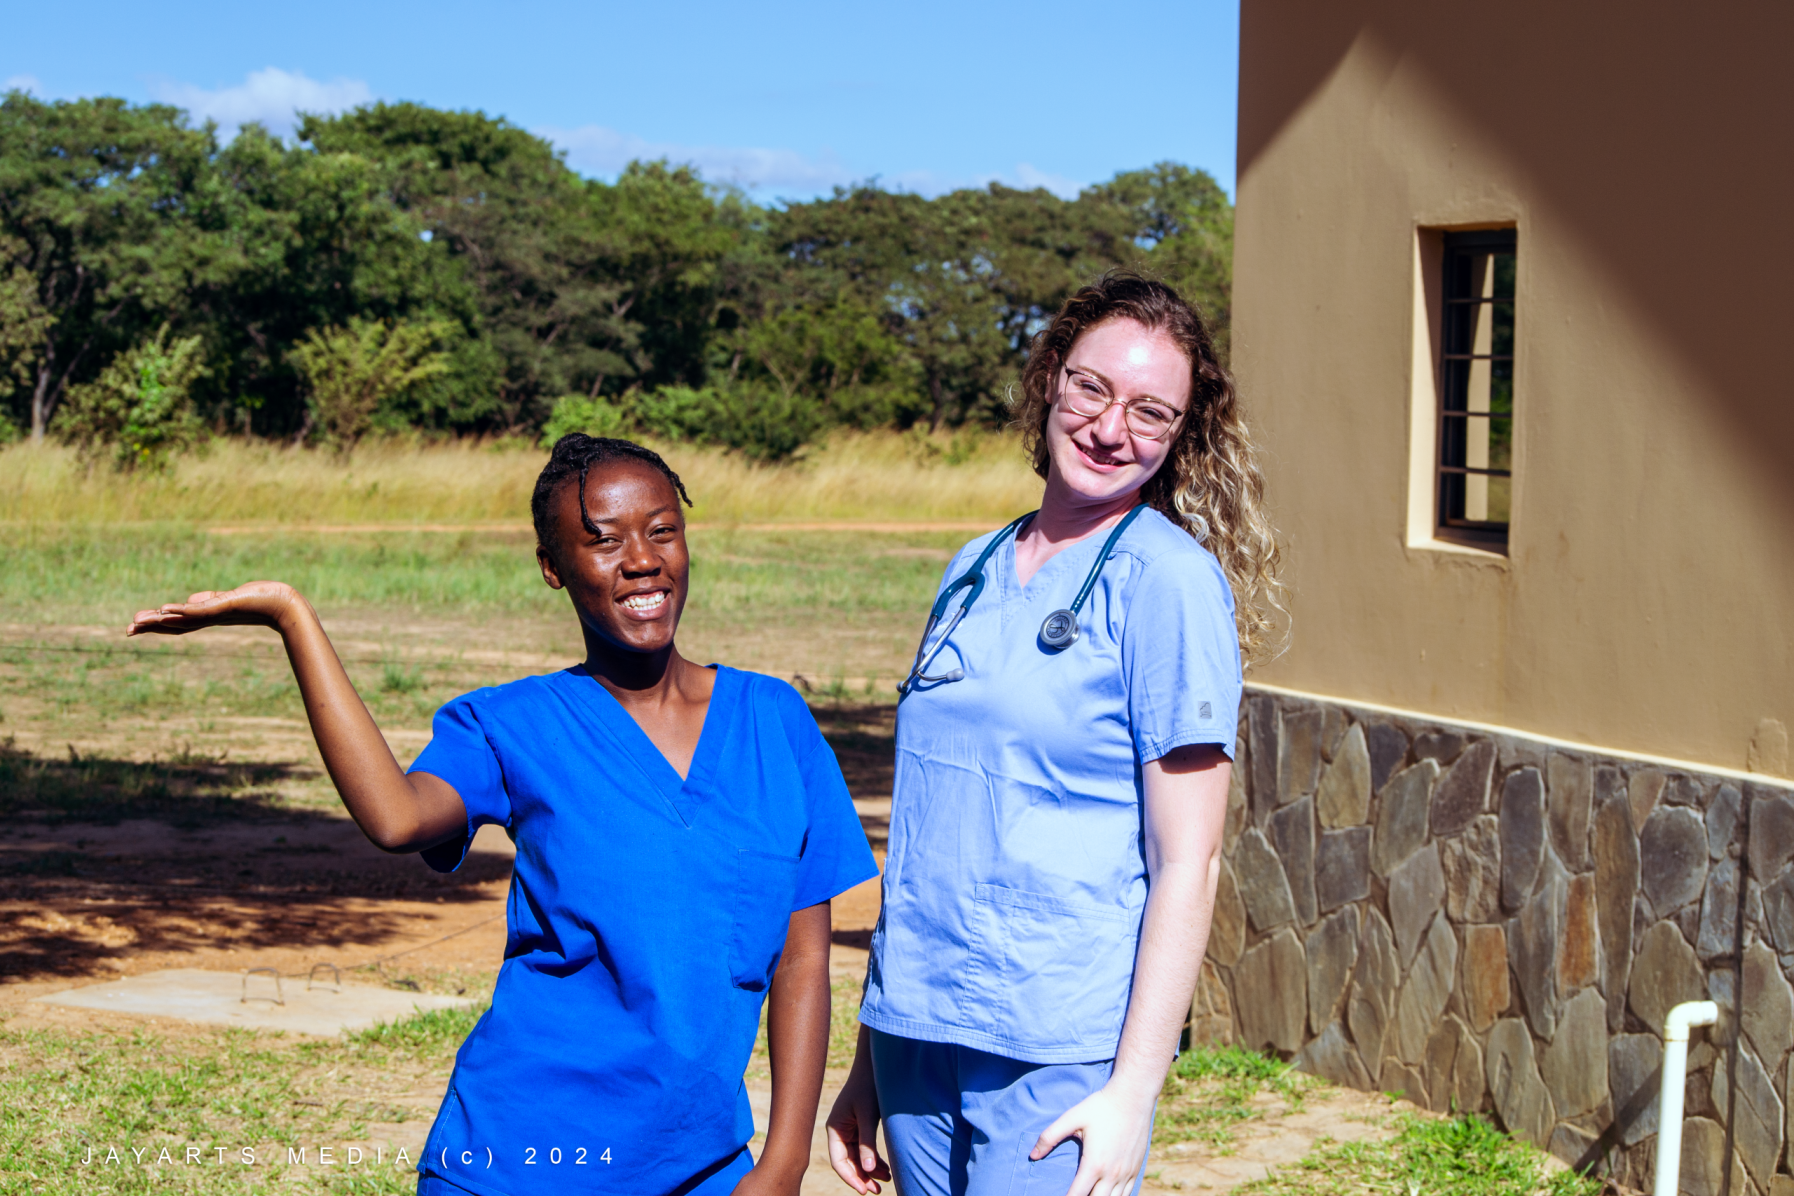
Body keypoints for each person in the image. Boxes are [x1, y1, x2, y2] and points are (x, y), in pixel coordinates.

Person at [128, 435, 879, 1196]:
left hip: (703, 1169)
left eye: (662, 530)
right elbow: (395, 817)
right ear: (553, 569)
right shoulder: (509, 726)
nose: (643, 559)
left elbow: (804, 956)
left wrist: (782, 1164)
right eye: (603, 540)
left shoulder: (773, 721)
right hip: (519, 1159)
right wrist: (293, 618)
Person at [826, 274, 1284, 1196]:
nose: (1112, 429)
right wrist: (870, 1056)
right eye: (1093, 389)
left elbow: (1186, 862)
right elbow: (933, 824)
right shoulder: (975, 566)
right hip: (917, 1035)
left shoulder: (1169, 584)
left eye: (1152, 413)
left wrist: (1134, 1092)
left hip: (1053, 1052)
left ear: (1181, 436)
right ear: (1049, 383)